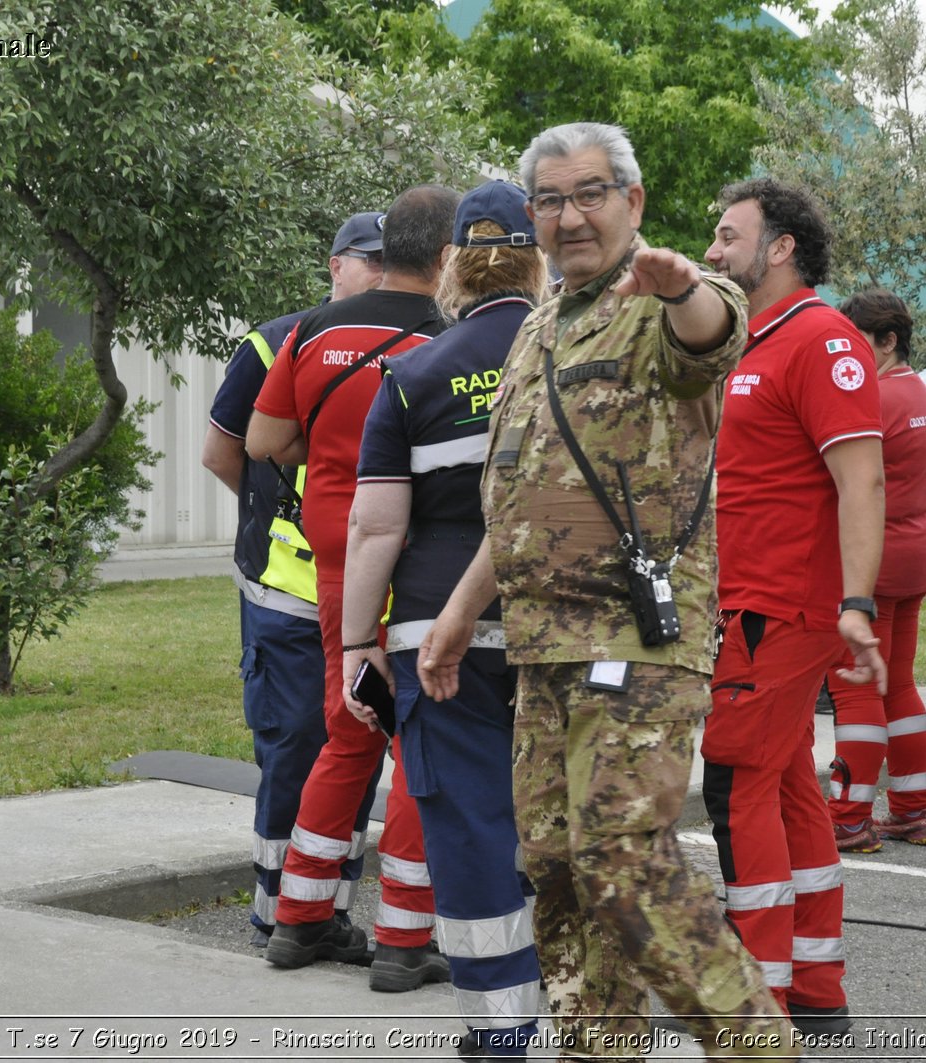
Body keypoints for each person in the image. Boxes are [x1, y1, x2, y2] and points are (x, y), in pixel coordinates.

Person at [418, 124, 795, 1060]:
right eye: (548, 199)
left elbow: (708, 332)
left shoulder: (664, 299)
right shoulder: (542, 322)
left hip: (635, 637)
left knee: (621, 858)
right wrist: (463, 610)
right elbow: (522, 499)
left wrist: (677, 287)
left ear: (632, 200)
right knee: (553, 865)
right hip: (542, 638)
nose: (568, 215)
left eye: (589, 194)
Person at [341, 180, 546, 1058]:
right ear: (536, 263)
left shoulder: (412, 373)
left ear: (453, 266)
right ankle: (586, 1010)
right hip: (558, 627)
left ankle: (503, 1026)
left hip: (432, 631)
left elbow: (375, 525)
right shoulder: (565, 355)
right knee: (565, 817)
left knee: (468, 820)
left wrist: (358, 643)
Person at [246, 185, 457, 992]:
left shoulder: (313, 329)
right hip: (417, 561)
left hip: (335, 557)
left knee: (349, 732)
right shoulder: (450, 339)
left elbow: (265, 440)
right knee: (422, 745)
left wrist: (326, 462)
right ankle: (406, 937)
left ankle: (297, 920)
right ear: (444, 257)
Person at [700, 178, 887, 1037]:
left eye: (729, 236)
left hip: (779, 609)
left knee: (736, 779)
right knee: (784, 784)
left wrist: (854, 603)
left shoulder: (820, 338)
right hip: (754, 602)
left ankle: (754, 999)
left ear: (780, 247)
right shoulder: (755, 338)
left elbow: (863, 479)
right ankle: (811, 986)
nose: (712, 250)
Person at [200, 210, 386, 946]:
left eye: (384, 260)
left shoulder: (407, 336)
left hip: (366, 591)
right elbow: (225, 453)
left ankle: (327, 905)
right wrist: (280, 516)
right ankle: (272, 905)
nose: (372, 272)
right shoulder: (276, 340)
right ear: (334, 264)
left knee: (355, 748)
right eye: (360, 259)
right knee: (292, 749)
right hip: (285, 593)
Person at [821, 291, 926, 853]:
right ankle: (914, 811)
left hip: (875, 564)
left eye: (857, 339)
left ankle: (848, 816)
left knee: (858, 691)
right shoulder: (920, 393)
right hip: (919, 554)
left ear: (888, 340)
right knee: (899, 684)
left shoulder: (876, 397)